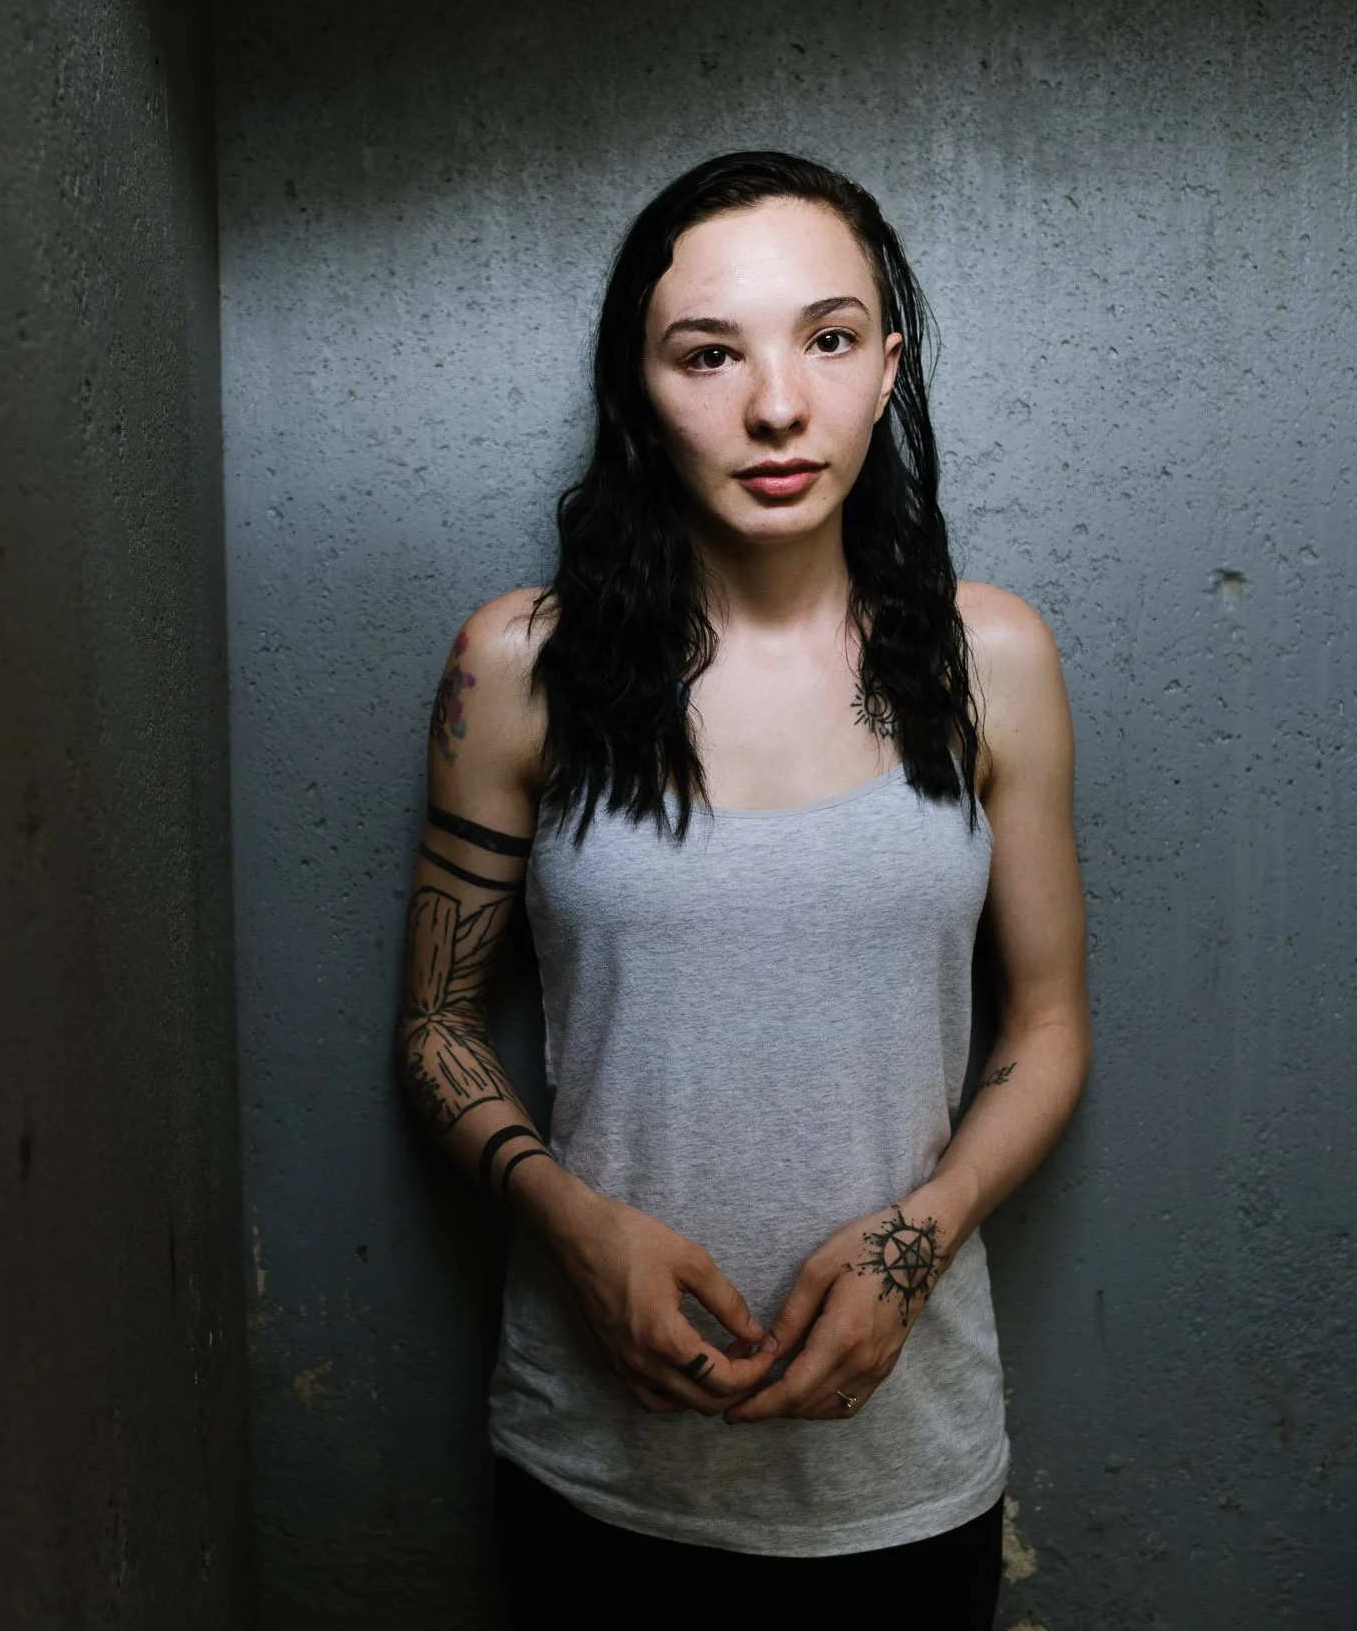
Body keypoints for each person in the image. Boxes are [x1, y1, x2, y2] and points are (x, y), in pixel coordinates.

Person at [397, 150, 1091, 1626]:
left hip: (902, 1473)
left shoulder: (994, 661)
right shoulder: (516, 667)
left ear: (887, 368)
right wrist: (573, 1227)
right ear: (639, 388)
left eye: (828, 339)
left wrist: (916, 1242)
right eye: (709, 354)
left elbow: (1047, 1026)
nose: (777, 405)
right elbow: (436, 1025)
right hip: (595, 1468)